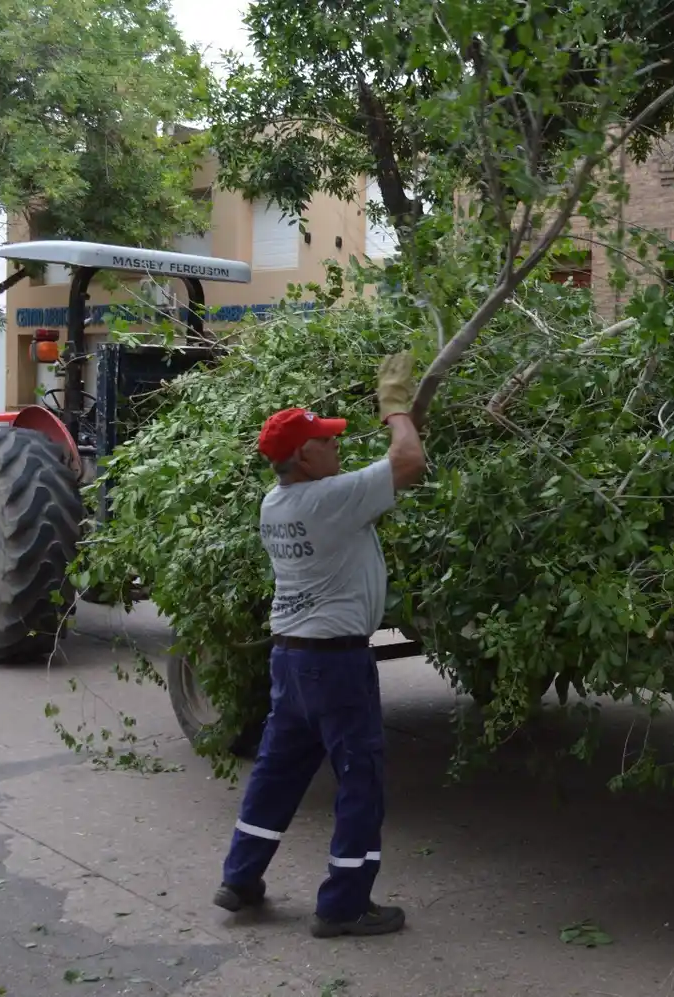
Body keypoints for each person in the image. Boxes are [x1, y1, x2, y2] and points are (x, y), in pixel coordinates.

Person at [212, 351, 427, 938]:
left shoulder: (277, 501)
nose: (337, 446)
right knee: (361, 778)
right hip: (335, 664)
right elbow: (408, 461)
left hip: (292, 659)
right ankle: (344, 905)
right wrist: (396, 408)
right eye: (327, 442)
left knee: (278, 771)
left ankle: (240, 877)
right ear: (304, 456)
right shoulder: (328, 500)